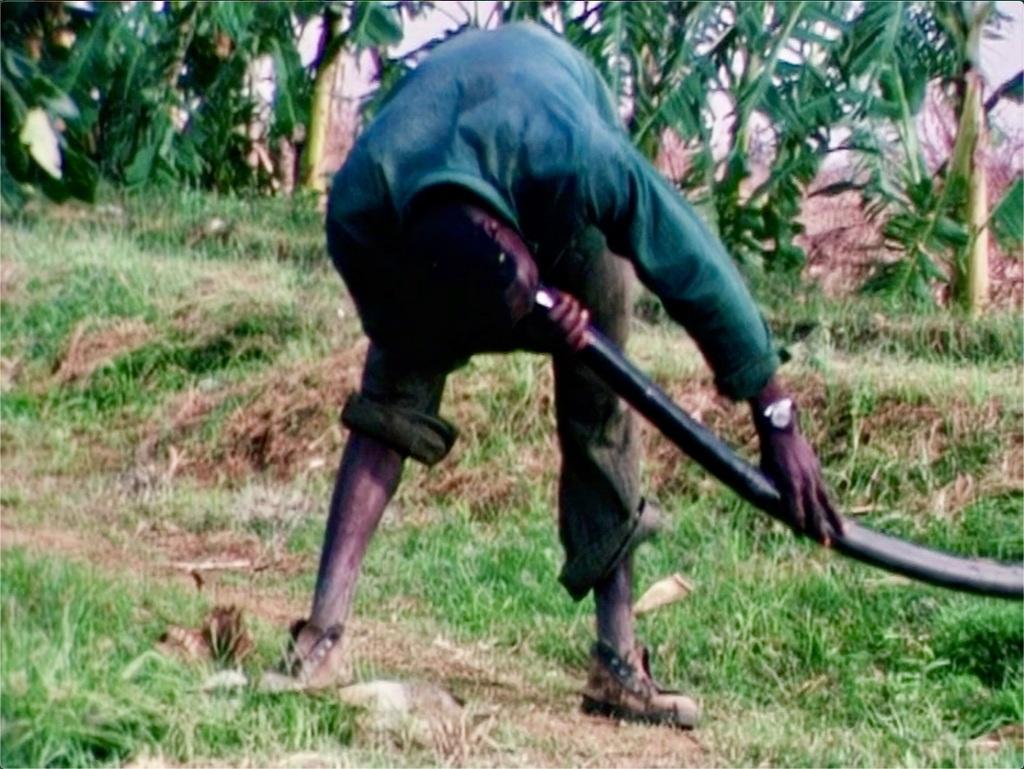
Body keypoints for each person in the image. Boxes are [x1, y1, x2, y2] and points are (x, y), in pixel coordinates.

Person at [287, 21, 844, 729]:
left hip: (544, 117)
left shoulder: (580, 159)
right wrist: (520, 318)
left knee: (599, 401)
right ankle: (322, 636)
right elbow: (397, 333)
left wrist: (776, 414)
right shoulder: (362, 212)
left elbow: (692, 260)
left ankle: (619, 663)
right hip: (423, 224)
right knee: (390, 395)